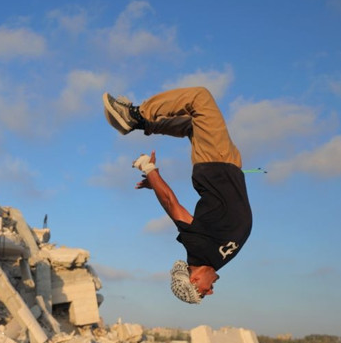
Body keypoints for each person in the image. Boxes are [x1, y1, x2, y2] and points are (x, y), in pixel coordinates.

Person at [103, 87, 252, 304]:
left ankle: (135, 115)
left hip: (216, 165)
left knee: (199, 98)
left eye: (202, 292)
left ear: (194, 279)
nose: (210, 292)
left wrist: (149, 169)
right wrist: (155, 184)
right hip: (229, 166)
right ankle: (143, 123)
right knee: (192, 126)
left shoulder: (198, 249)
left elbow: (172, 205)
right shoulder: (215, 260)